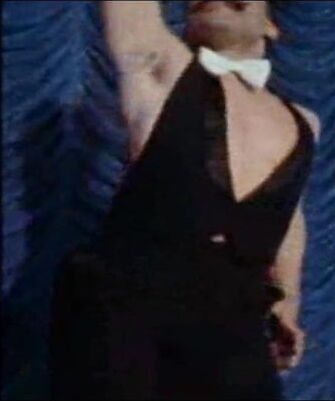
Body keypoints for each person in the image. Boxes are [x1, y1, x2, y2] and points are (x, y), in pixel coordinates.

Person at [48, 1, 319, 398]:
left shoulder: (305, 122)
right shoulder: (163, 70)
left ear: (270, 25)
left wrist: (288, 299)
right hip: (127, 310)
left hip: (234, 318)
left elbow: (289, 214)